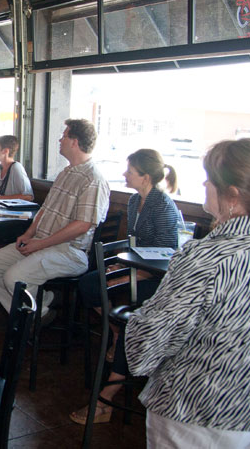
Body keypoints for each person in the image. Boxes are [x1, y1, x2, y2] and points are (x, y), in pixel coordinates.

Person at [125, 138, 250, 447]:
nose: (203, 183)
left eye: (209, 179)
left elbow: (146, 345)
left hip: (202, 412)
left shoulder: (207, 257)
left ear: (233, 196)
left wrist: (135, 326)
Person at [70, 148, 180, 425]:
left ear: (145, 176)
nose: (124, 174)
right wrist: (121, 267)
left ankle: (121, 342)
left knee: (119, 300)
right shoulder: (134, 202)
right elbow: (135, 244)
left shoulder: (163, 206)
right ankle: (117, 332)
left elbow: (167, 254)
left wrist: (133, 275)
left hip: (157, 280)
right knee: (88, 283)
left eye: (129, 171)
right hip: (137, 270)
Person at [0, 119, 110, 317]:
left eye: (64, 136)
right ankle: (40, 309)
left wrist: (40, 244)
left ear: (74, 142)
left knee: (13, 278)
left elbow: (82, 225)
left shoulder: (93, 179)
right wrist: (29, 233)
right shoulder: (65, 173)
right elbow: (45, 209)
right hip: (42, 241)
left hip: (71, 251)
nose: (60, 140)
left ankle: (33, 317)